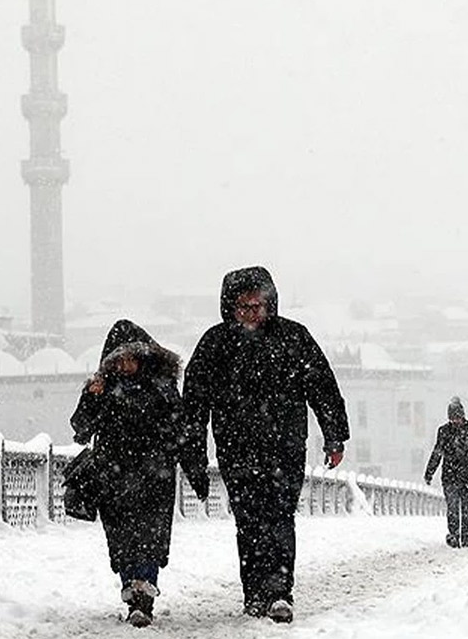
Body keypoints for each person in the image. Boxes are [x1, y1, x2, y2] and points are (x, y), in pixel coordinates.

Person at [181, 266, 349, 623]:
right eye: (244, 307)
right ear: (231, 307)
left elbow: (322, 387)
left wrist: (335, 435)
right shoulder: (215, 345)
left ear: (270, 304)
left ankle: (278, 592)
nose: (252, 313)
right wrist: (193, 453)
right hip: (236, 449)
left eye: (258, 305)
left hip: (284, 447)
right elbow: (193, 404)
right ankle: (254, 592)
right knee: (249, 520)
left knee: (279, 517)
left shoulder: (293, 338)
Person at [69, 319, 210, 628]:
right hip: (113, 478)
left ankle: (143, 596)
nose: (126, 364)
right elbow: (80, 430)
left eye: (132, 357)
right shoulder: (103, 389)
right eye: (120, 359)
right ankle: (132, 590)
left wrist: (196, 471)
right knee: (121, 540)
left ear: (145, 356)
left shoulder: (162, 388)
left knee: (150, 538)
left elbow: (182, 432)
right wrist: (91, 396)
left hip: (154, 478)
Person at [424, 396, 468, 548]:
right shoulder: (444, 431)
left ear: (463, 415)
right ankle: (454, 535)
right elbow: (437, 453)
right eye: (452, 418)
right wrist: (430, 472)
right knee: (453, 508)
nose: (455, 421)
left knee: (467, 509)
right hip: (450, 477)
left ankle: (466, 536)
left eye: (457, 418)